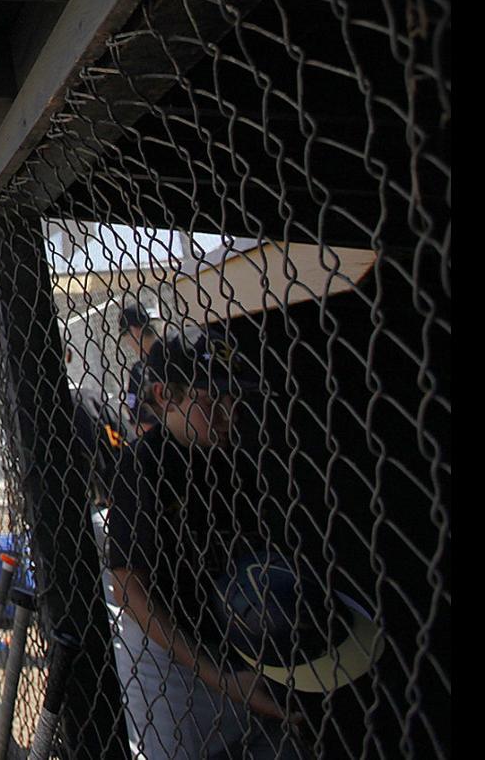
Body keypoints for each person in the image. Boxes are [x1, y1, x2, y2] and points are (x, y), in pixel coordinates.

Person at [105, 333, 303, 759]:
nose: (227, 413)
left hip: (240, 646)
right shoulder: (146, 462)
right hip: (170, 660)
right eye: (211, 399)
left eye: (232, 398)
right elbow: (128, 588)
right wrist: (219, 677)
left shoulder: (238, 457)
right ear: (165, 396)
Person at [118, 300, 163, 430]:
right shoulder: (179, 352)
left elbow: (139, 423)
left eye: (124, 334)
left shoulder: (139, 371)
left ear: (134, 331)